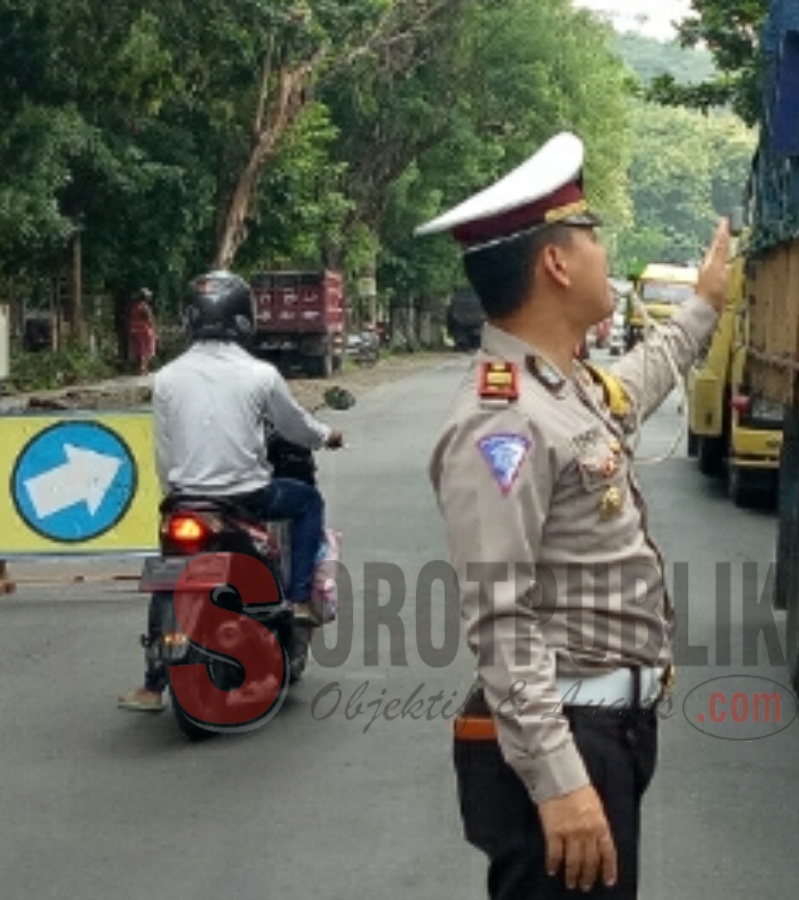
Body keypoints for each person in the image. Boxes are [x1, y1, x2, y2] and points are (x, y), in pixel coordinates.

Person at [420, 131, 730, 899]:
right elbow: (500, 617)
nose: (604, 254)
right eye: (592, 236)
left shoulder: (562, 388)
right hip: (565, 739)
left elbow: (639, 380)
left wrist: (703, 307)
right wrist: (559, 782)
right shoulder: (504, 419)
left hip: (607, 733)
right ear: (556, 263)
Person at [117, 270, 344, 713]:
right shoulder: (260, 374)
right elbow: (296, 427)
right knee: (308, 501)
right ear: (244, 318)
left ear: (189, 319)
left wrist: (175, 493)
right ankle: (298, 599)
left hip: (185, 502)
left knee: (168, 574)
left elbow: (164, 449)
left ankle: (150, 685)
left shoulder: (165, 378)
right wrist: (327, 435)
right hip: (248, 498)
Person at [128, 289, 157, 375]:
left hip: (135, 330)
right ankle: (143, 369)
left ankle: (140, 369)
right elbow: (150, 320)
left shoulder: (134, 307)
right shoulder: (145, 307)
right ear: (146, 297)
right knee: (147, 350)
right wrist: (154, 331)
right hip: (144, 330)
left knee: (139, 350)